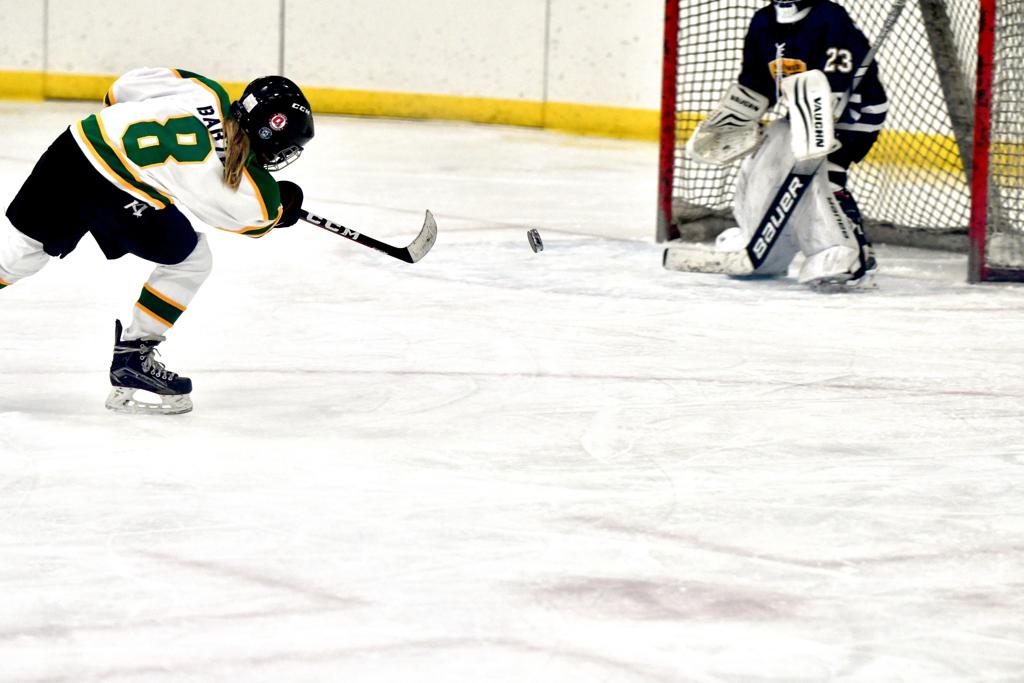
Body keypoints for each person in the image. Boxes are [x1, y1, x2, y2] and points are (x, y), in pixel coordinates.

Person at [0, 68, 314, 414]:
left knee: (15, 258)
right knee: (191, 259)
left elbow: (119, 91)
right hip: (117, 192)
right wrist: (282, 206)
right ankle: (133, 356)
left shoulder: (204, 90)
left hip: (73, 150)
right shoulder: (240, 181)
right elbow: (258, 220)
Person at [687, 0, 888, 287]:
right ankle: (761, 244)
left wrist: (822, 120)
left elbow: (836, 81)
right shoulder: (763, 21)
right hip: (803, 110)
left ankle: (848, 252)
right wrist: (739, 113)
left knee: (824, 173)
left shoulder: (829, 16)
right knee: (766, 158)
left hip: (855, 114)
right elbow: (757, 83)